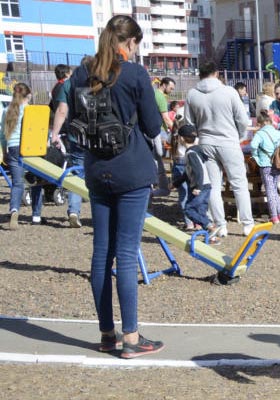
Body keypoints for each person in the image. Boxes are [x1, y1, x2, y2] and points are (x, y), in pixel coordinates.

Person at [66, 15, 165, 358]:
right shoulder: (135, 74)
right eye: (136, 44)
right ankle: (132, 338)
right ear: (130, 43)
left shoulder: (82, 73)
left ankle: (107, 334)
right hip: (131, 170)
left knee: (100, 254)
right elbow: (153, 127)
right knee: (125, 254)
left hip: (95, 169)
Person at [185, 62, 253, 236]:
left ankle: (220, 225)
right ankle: (247, 224)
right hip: (229, 141)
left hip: (205, 141)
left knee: (214, 186)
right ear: (216, 73)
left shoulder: (192, 94)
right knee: (239, 184)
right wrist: (239, 136)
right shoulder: (229, 92)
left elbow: (189, 124)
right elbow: (243, 120)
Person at [3, 82, 44, 227]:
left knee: (17, 183)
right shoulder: (31, 110)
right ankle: (36, 216)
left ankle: (14, 210)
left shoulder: (6, 110)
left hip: (13, 147)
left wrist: (4, 151)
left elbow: (3, 135)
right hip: (30, 148)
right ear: (29, 95)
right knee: (36, 181)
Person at [48, 63, 84, 228]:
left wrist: (54, 133)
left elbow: (61, 110)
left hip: (76, 135)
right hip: (100, 138)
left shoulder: (65, 86)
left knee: (76, 174)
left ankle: (74, 210)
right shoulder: (100, 81)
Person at [174, 124, 213, 238]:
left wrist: (198, 187)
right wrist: (176, 183)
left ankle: (210, 225)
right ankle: (211, 236)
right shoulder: (197, 149)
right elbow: (188, 172)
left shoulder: (190, 153)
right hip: (206, 185)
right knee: (201, 211)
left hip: (200, 187)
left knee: (189, 209)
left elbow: (198, 171)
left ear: (181, 138)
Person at [249, 109, 280, 225]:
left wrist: (256, 157)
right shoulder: (278, 133)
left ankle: (274, 216)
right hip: (278, 163)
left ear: (261, 123)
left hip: (265, 163)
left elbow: (253, 145)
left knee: (269, 190)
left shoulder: (260, 134)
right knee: (275, 189)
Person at [152, 76, 175, 193]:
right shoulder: (160, 97)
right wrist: (175, 129)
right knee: (159, 157)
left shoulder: (156, 94)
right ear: (164, 85)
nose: (171, 91)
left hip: (157, 129)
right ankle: (162, 186)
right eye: (171, 88)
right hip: (160, 131)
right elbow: (166, 117)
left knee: (157, 158)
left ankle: (160, 185)